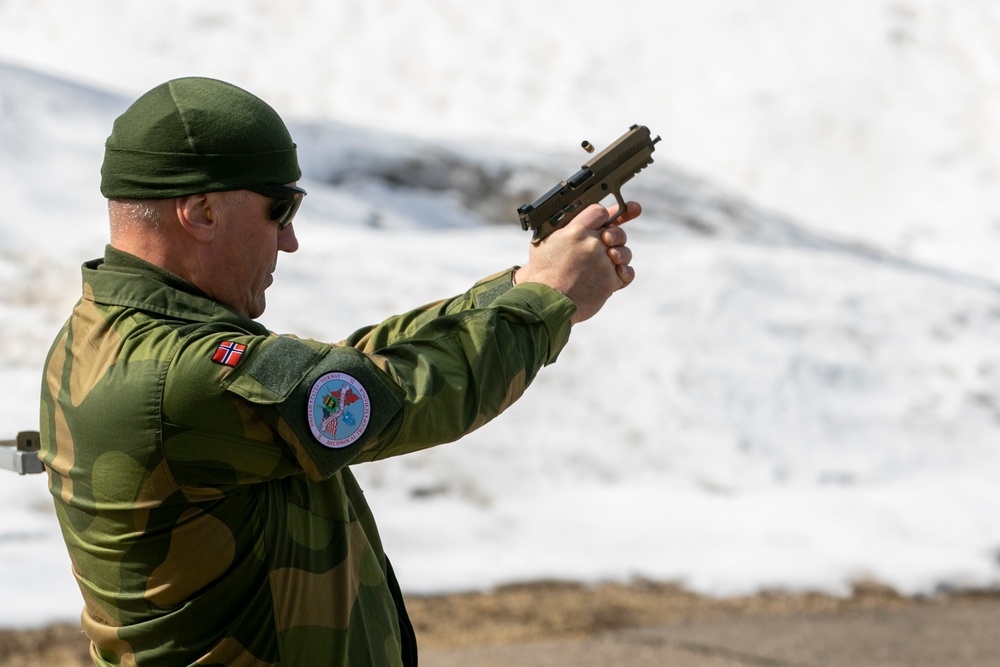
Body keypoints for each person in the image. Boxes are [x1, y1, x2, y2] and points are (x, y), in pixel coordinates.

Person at [38, 77, 639, 667]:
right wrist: (546, 301)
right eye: (280, 209)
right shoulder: (178, 375)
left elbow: (353, 370)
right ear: (200, 211)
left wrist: (520, 287)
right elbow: (401, 397)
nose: (291, 241)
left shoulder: (116, 335)